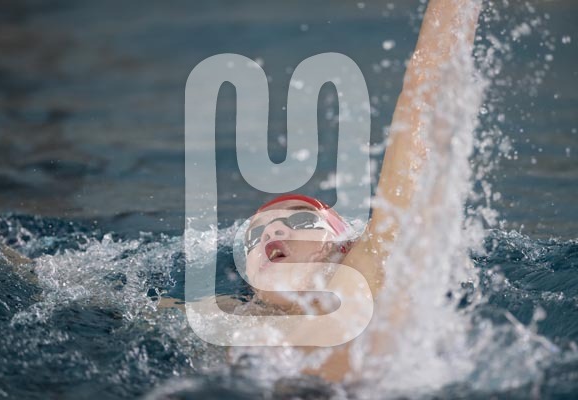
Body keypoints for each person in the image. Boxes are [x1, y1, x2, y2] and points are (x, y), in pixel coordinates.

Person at [161, 0, 482, 382]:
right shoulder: (232, 320)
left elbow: (424, 104)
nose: (270, 231)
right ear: (252, 288)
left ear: (344, 246)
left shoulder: (365, 270)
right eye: (252, 237)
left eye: (300, 220)